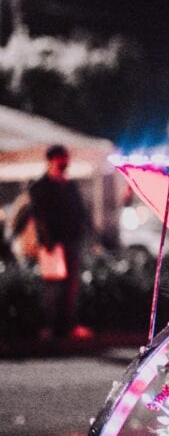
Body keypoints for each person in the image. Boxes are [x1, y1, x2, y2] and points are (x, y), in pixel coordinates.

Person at [29, 144, 93, 341]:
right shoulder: (40, 186)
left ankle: (68, 326)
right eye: (61, 159)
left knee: (71, 287)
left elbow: (80, 211)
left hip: (71, 240)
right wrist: (45, 240)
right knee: (53, 288)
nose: (65, 163)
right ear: (51, 160)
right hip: (52, 244)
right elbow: (39, 216)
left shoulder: (69, 185)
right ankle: (51, 328)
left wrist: (87, 233)